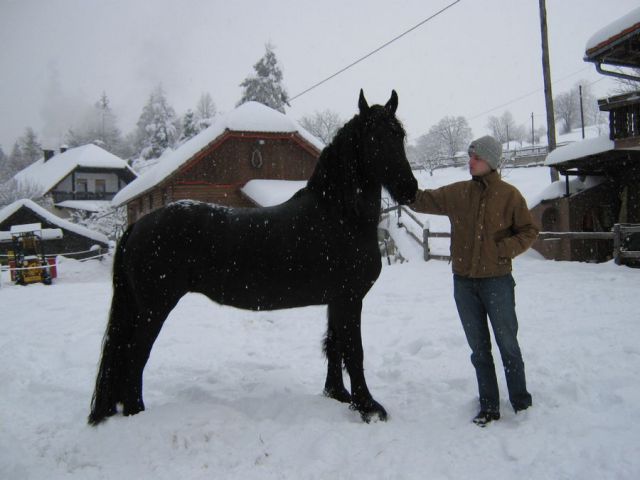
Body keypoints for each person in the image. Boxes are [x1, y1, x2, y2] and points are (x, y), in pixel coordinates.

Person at [409, 135, 538, 427]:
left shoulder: (509, 195)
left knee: (508, 344)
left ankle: (521, 402)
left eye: (476, 157)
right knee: (479, 349)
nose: (471, 162)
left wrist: (503, 249)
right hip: (464, 284)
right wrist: (398, 184)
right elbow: (422, 200)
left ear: (490, 161)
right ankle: (489, 406)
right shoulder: (459, 193)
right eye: (470, 156)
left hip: (497, 282)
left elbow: (529, 230)